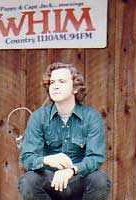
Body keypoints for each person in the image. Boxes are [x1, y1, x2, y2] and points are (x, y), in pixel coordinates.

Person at [18, 62, 111, 200]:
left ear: (75, 88)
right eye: (52, 82)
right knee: (28, 181)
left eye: (62, 81)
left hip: (79, 178)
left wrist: (72, 170)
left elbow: (96, 157)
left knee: (100, 180)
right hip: (49, 180)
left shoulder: (92, 116)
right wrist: (47, 160)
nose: (55, 86)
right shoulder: (38, 117)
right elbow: (27, 157)